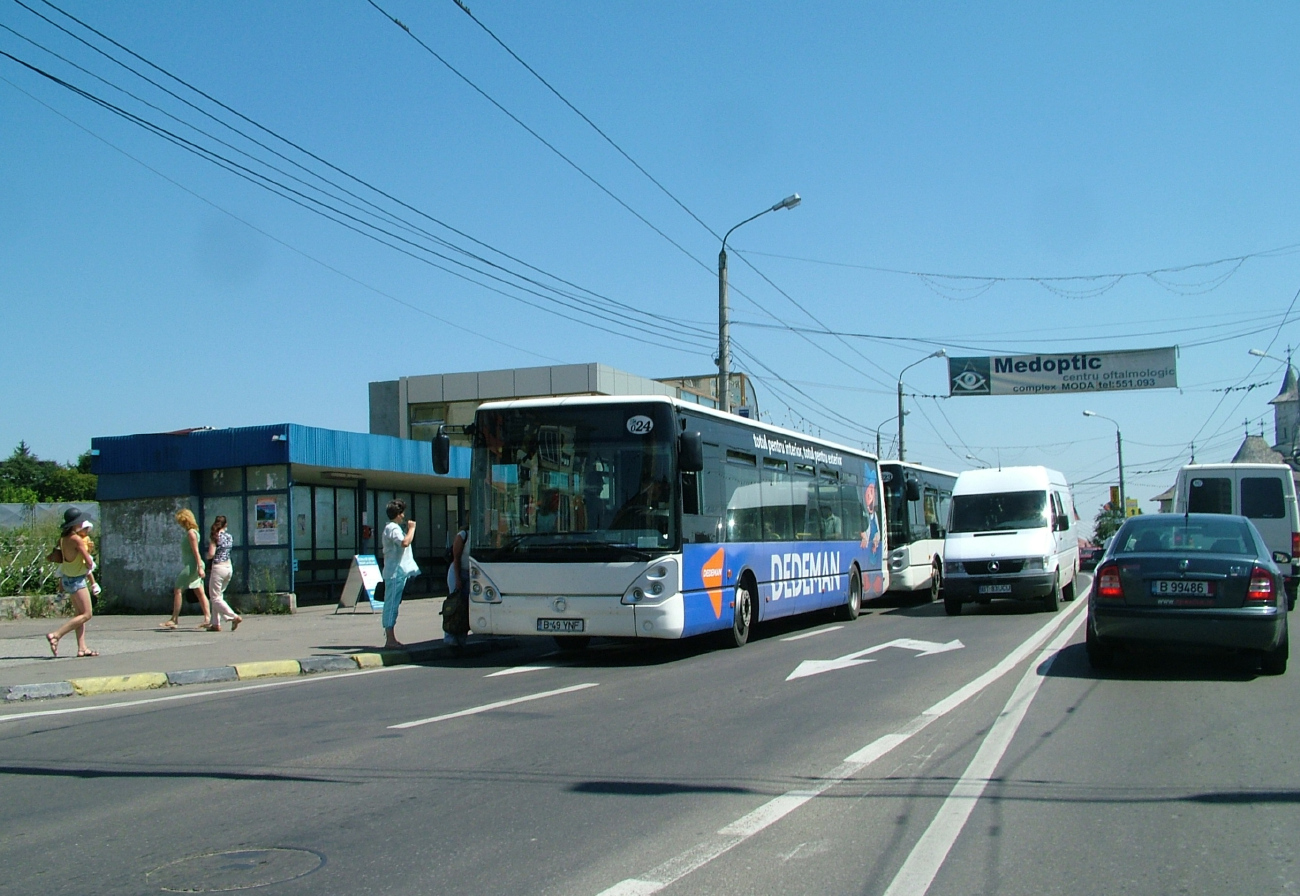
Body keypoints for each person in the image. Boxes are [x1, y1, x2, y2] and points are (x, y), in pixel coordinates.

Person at [45, 507, 98, 657]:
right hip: (77, 580)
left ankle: (82, 648)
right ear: (76, 524)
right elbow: (88, 561)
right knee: (87, 614)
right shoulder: (76, 539)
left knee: (79, 614)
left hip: (67, 578)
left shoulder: (63, 539)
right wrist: (90, 560)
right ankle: (56, 634)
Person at [163, 509, 211, 629]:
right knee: (200, 592)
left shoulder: (191, 533)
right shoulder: (193, 532)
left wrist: (200, 567)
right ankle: (208, 618)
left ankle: (174, 618)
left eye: (181, 521)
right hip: (193, 564)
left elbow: (196, 551)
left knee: (178, 589)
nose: (180, 524)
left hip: (192, 565)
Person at [381, 498, 418, 649]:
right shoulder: (393, 528)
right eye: (402, 513)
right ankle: (390, 639)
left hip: (397, 572)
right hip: (395, 572)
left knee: (393, 603)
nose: (403, 516)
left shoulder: (392, 528)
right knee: (391, 604)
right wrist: (412, 529)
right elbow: (404, 542)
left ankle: (391, 637)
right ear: (398, 514)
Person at [203, 515, 242, 632]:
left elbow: (211, 553)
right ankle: (216, 624)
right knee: (218, 596)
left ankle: (233, 616)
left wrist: (206, 557)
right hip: (228, 567)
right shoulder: (229, 537)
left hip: (218, 568)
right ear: (226, 525)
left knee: (214, 597)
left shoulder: (215, 536)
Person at [443, 515, 469, 649]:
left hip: (472, 574)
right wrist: (458, 579)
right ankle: (450, 637)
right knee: (454, 604)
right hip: (458, 571)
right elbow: (456, 558)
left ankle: (462, 637)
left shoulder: (482, 537)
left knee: (465, 607)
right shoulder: (463, 534)